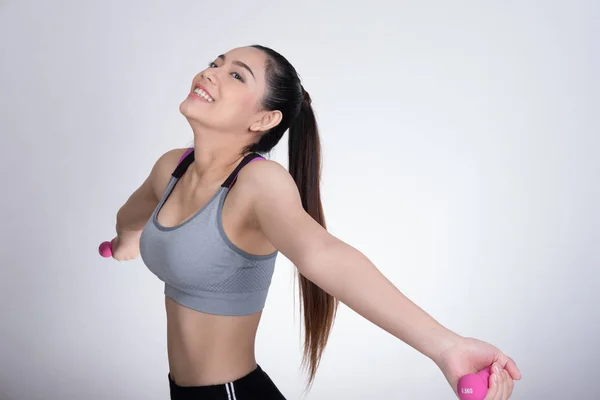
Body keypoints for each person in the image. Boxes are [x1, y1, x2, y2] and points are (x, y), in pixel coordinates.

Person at [108, 44, 522, 399]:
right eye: (216, 63)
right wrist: (127, 239)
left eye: (236, 75)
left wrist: (446, 347)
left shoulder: (258, 183)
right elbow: (134, 211)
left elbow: (323, 254)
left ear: (264, 119)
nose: (210, 73)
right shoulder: (172, 168)